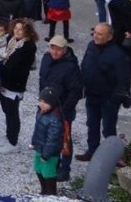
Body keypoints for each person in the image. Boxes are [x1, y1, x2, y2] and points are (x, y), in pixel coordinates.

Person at [77, 23, 131, 161]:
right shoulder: (91, 46)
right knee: (92, 125)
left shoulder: (118, 55)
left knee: (108, 129)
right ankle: (92, 152)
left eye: (100, 34)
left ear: (109, 37)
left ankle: (111, 157)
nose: (95, 35)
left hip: (108, 99)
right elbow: (85, 65)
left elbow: (123, 80)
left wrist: (113, 100)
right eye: (94, 32)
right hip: (92, 95)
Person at [38, 35, 83, 182]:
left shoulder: (71, 67)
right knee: (47, 136)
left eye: (58, 49)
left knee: (64, 140)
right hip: (46, 106)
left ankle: (65, 169)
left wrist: (62, 110)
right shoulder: (46, 59)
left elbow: (75, 92)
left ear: (64, 49)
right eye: (52, 48)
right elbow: (42, 80)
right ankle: (52, 163)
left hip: (62, 110)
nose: (55, 52)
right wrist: (42, 100)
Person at [0, 19, 39, 154]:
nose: (17, 31)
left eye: (20, 29)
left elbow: (14, 67)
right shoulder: (12, 40)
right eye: (16, 28)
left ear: (27, 31)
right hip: (5, 82)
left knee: (12, 113)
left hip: (15, 84)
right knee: (6, 110)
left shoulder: (28, 47)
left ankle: (13, 141)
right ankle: (9, 136)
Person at [31, 87, 64, 196]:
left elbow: (53, 140)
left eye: (45, 102)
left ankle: (51, 194)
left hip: (49, 153)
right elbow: (37, 129)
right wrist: (34, 142)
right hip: (39, 147)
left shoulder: (55, 119)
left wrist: (45, 155)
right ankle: (44, 191)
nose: (41, 104)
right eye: (40, 101)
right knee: (38, 168)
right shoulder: (41, 112)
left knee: (48, 172)